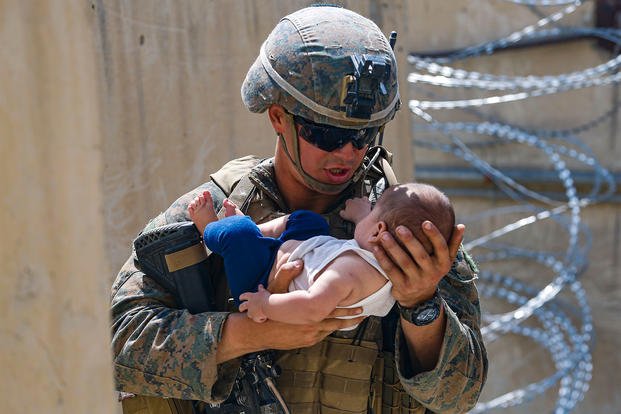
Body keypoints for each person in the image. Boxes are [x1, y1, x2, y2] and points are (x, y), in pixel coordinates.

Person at [111, 5, 487, 414]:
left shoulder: (405, 233)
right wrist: (250, 333)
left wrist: (421, 304)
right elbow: (117, 344)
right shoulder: (215, 214)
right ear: (278, 117)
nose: (347, 151)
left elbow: (457, 398)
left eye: (361, 134)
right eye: (325, 133)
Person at [187, 182, 455, 331]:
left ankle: (210, 227)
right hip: (302, 253)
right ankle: (254, 232)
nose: (368, 212)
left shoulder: (348, 273)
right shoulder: (382, 267)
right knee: (309, 221)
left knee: (236, 235)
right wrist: (363, 215)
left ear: (379, 230)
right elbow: (370, 239)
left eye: (373, 212)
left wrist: (266, 304)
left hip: (261, 280)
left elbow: (313, 307)